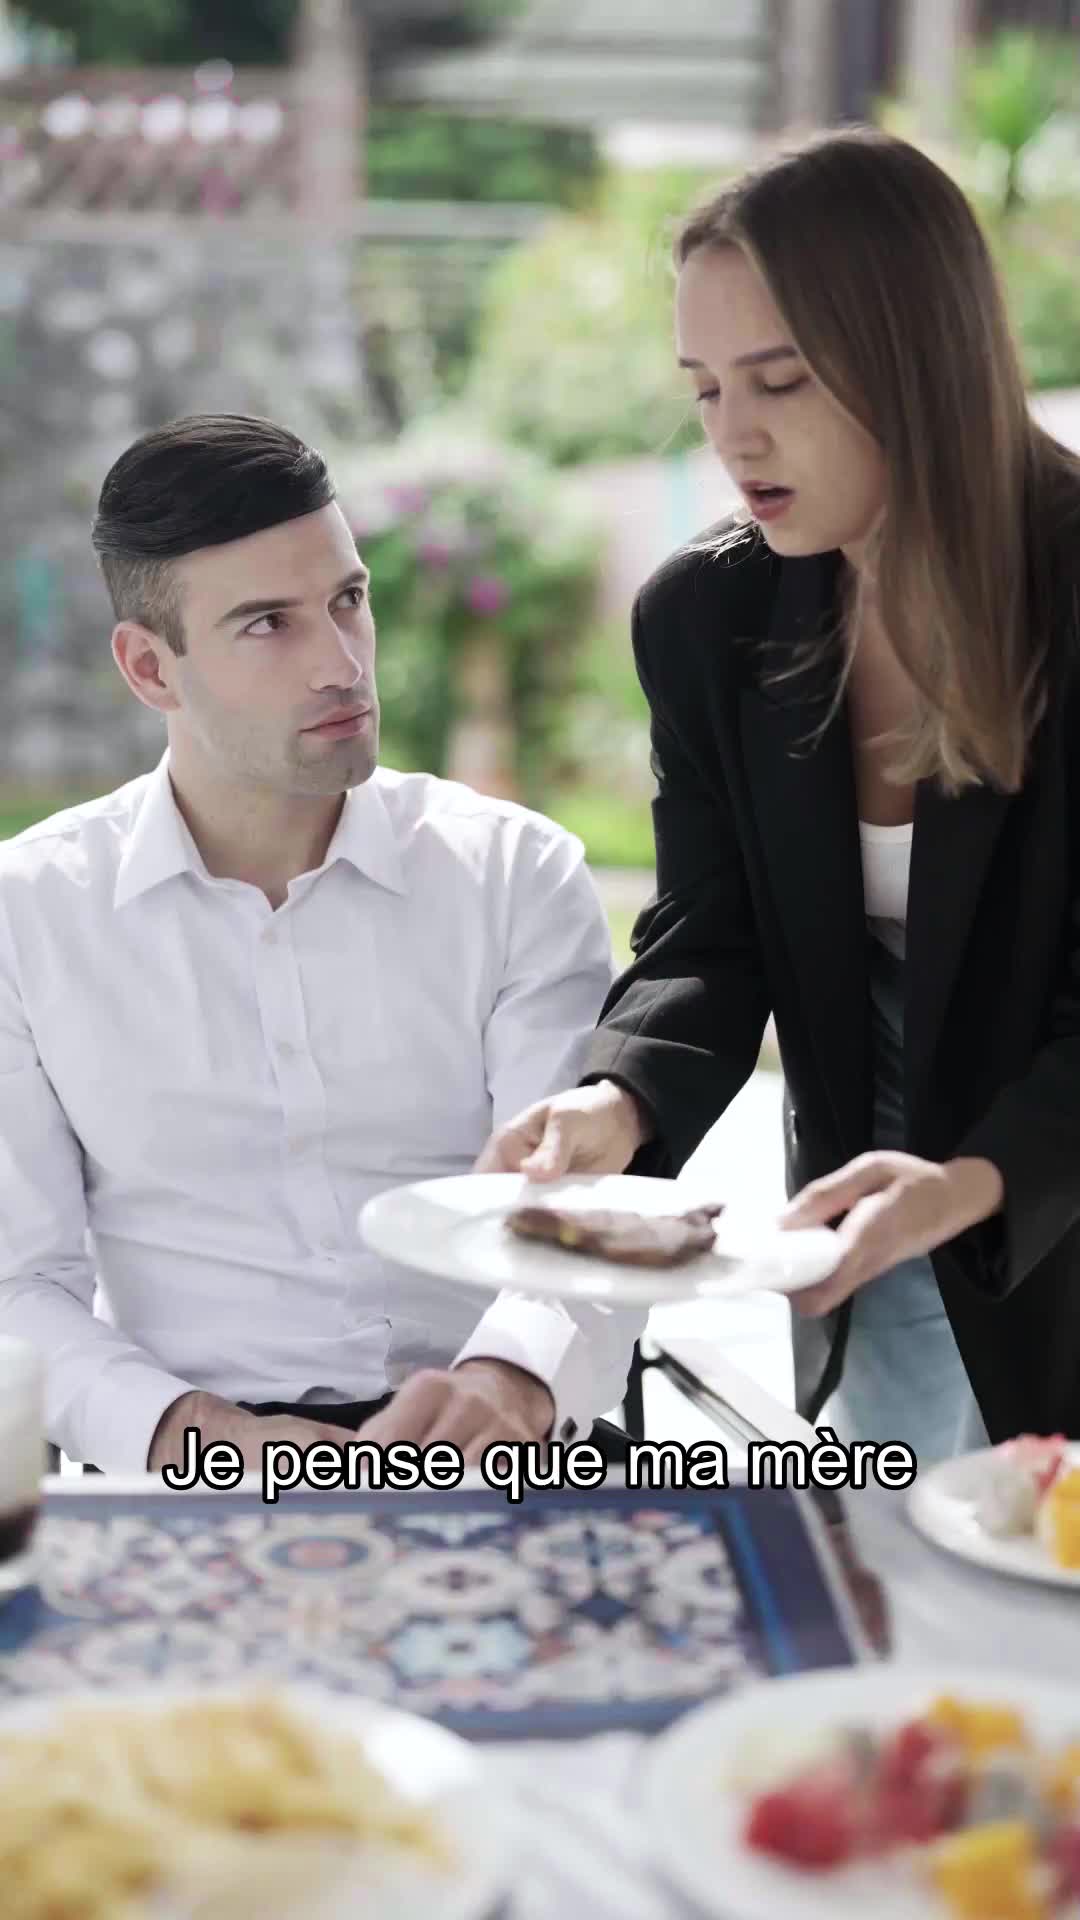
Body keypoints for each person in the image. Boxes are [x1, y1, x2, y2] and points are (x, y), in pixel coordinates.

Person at [479, 126, 1080, 1460]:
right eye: (703, 389)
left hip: (1041, 1155)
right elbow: (712, 933)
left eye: (780, 379)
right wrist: (618, 1100)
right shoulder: (710, 618)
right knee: (907, 1543)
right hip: (872, 1176)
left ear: (916, 359)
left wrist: (970, 1186)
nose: (732, 435)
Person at [0, 414, 645, 1475]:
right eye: (269, 624)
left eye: (349, 600)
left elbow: (581, 1203)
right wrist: (203, 1439)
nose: (341, 664)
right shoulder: (30, 917)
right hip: (196, 1468)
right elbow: (19, 1285)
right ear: (151, 668)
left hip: (508, 1446)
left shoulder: (514, 874)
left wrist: (509, 1382)